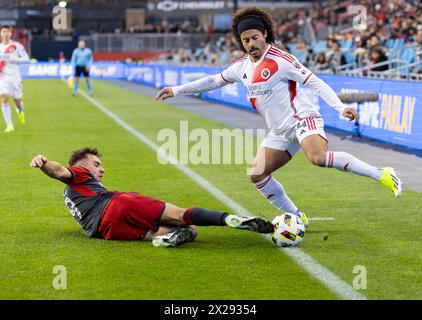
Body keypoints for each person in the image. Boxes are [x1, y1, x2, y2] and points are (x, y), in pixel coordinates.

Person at [155, 7, 403, 228]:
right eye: (245, 40)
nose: (251, 43)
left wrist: (339, 108)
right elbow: (212, 81)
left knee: (317, 158)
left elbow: (314, 82)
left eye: (254, 37)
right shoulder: (241, 66)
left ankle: (381, 173)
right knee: (257, 174)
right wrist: (176, 90)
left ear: (264, 35)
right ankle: (297, 216)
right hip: (280, 131)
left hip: (302, 118)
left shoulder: (282, 60)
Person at [30, 147, 273, 247]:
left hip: (105, 231)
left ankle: (171, 237)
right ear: (82, 165)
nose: (101, 169)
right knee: (182, 215)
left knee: (179, 232)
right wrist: (43, 163)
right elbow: (60, 170)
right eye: (97, 164)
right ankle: (229, 219)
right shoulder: (80, 173)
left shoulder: (70, 194)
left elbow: (62, 176)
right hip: (117, 204)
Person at [0, 25, 29, 133]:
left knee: (17, 101)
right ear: (1, 33)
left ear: (11, 33)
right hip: (3, 78)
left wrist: (14, 59)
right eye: (4, 31)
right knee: (4, 99)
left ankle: (20, 111)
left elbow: (26, 59)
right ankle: (9, 125)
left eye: (8, 31)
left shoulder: (17, 46)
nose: (6, 34)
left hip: (15, 78)